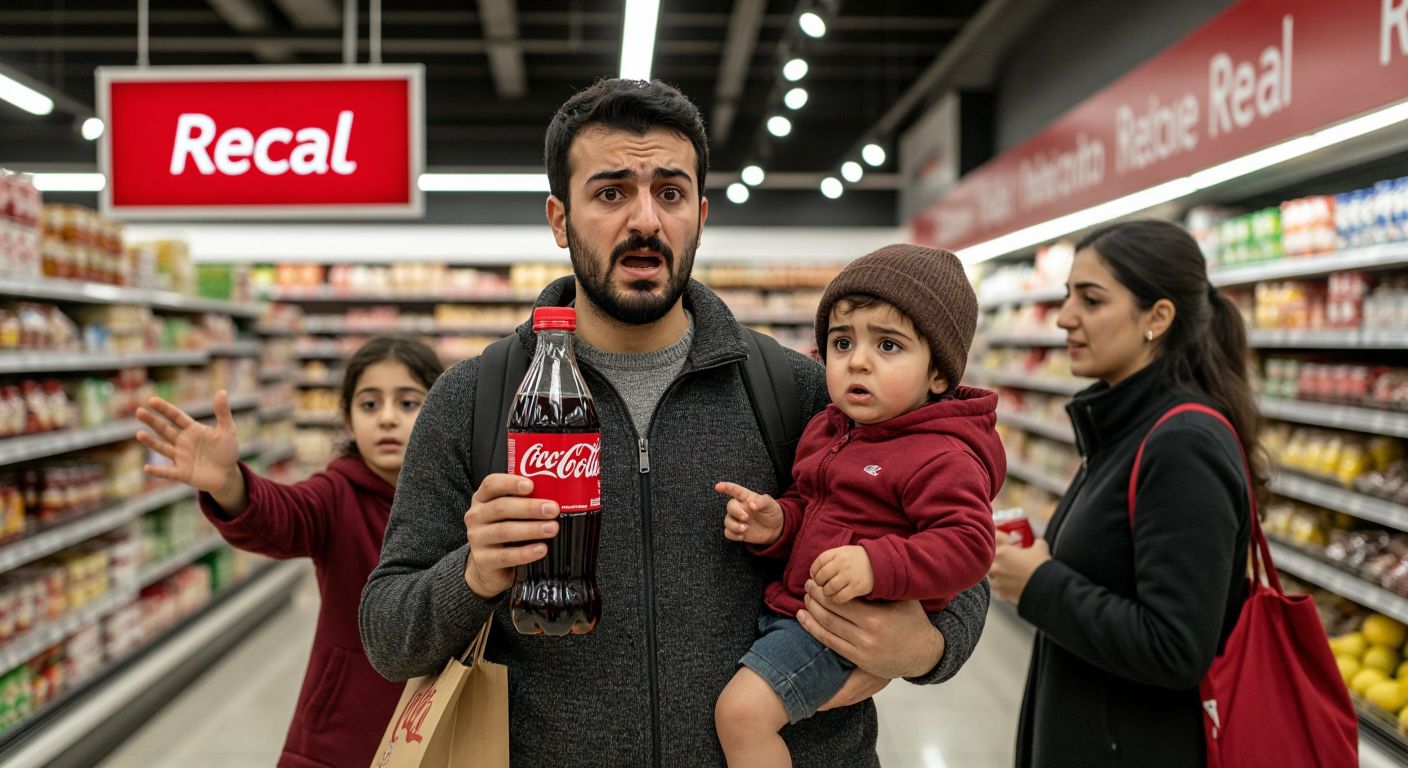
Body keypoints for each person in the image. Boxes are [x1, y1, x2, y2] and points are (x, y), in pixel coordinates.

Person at [358, 77, 991, 767]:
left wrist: (927, 647)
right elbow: (387, 635)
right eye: (610, 193)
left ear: (700, 212)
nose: (645, 222)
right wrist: (474, 573)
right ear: (559, 218)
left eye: (670, 192)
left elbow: (962, 554)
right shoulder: (475, 399)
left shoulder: (800, 393)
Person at [712, 245, 1004, 767]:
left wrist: (878, 565)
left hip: (843, 624)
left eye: (889, 345)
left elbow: (970, 545)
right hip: (801, 610)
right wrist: (778, 522)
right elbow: (814, 505)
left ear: (939, 375)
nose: (858, 360)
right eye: (842, 341)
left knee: (742, 715)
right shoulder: (831, 429)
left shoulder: (941, 454)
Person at [987, 219, 1258, 768]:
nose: (1065, 318)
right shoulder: (1126, 428)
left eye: (1090, 300)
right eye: (1067, 297)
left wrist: (1039, 583)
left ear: (1157, 317)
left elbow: (1175, 645)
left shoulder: (1183, 444)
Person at [135, 337, 445, 768]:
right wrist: (229, 486)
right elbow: (284, 516)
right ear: (348, 421)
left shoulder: (457, 501)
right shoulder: (336, 495)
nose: (388, 419)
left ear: (442, 412)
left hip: (439, 715)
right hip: (344, 728)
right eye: (370, 405)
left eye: (409, 403)